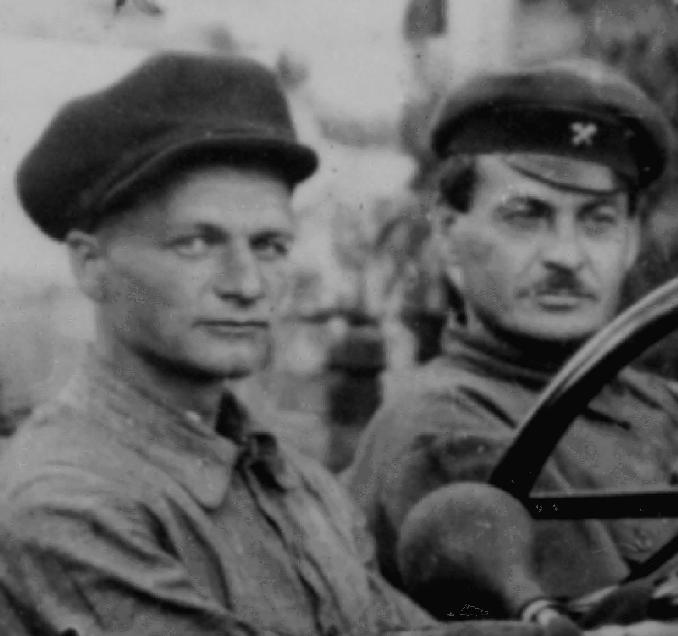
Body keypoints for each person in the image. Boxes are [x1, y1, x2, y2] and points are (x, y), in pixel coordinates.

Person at [0, 51, 548, 636]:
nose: (245, 284)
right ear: (91, 265)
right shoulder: (70, 501)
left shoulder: (290, 477)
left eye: (269, 247)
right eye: (195, 243)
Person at [344, 60, 678, 620]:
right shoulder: (443, 433)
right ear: (448, 234)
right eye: (526, 216)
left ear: (631, 240)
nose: (566, 256)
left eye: (597, 221)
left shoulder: (657, 403)